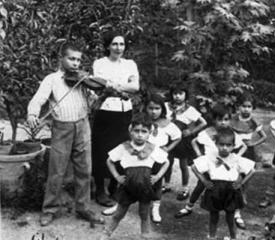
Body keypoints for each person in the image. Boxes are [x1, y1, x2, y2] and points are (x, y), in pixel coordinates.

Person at [27, 42, 104, 227]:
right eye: (71, 59)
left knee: (85, 170)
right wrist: (32, 113)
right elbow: (38, 99)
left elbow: (92, 104)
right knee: (56, 171)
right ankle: (49, 209)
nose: (76, 63)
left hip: (83, 125)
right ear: (61, 59)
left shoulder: (83, 80)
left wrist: (102, 94)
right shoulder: (52, 79)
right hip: (62, 128)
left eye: (78, 60)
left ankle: (84, 207)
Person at [87, 113, 170, 240]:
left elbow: (166, 162)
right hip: (128, 186)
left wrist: (157, 177)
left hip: (145, 186)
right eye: (136, 131)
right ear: (130, 131)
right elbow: (109, 161)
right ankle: (104, 238)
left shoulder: (152, 148)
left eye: (144, 132)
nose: (139, 135)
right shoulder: (124, 147)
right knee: (118, 214)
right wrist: (117, 176)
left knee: (144, 215)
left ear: (149, 133)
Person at [101, 91, 182, 223]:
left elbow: (178, 137)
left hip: (156, 157)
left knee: (155, 183)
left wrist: (167, 148)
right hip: (138, 155)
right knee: (129, 180)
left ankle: (155, 207)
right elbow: (131, 133)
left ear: (162, 109)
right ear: (145, 108)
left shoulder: (167, 124)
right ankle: (120, 204)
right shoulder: (141, 122)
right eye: (151, 108)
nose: (154, 112)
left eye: (157, 108)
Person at [92, 31, 140, 208]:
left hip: (124, 111)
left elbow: (135, 86)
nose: (118, 48)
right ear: (108, 46)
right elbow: (100, 85)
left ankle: (114, 187)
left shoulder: (130, 64)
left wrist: (115, 86)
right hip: (105, 110)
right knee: (101, 150)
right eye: (114, 44)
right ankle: (99, 190)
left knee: (121, 149)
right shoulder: (100, 63)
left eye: (121, 44)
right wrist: (121, 88)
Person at [191, 127, 255, 240]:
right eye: (221, 145)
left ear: (233, 146)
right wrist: (204, 181)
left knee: (230, 219)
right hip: (214, 190)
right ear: (216, 144)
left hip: (230, 191)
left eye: (228, 145)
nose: (225, 148)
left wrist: (241, 183)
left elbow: (252, 170)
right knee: (213, 218)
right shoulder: (210, 157)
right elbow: (194, 167)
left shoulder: (236, 158)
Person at [175, 104, 247, 218]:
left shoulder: (230, 133)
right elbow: (194, 141)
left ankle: (237, 213)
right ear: (214, 120)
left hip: (226, 163)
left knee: (233, 187)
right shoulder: (207, 132)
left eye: (226, 119)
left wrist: (235, 157)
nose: (223, 122)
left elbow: (244, 146)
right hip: (210, 162)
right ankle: (188, 207)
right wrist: (199, 155)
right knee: (201, 184)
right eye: (220, 119)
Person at [162, 84, 207, 200]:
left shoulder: (190, 109)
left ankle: (185, 188)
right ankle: (166, 184)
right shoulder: (166, 106)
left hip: (183, 139)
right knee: (168, 161)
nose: (177, 96)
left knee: (183, 164)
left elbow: (203, 122)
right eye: (175, 94)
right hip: (169, 138)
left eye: (180, 94)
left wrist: (191, 131)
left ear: (185, 95)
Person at [229, 93, 267, 229]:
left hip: (248, 151)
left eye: (249, 107)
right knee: (232, 172)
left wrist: (253, 143)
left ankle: (242, 194)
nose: (246, 109)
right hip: (234, 149)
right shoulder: (233, 119)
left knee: (246, 175)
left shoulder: (253, 122)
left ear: (252, 108)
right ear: (238, 107)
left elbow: (264, 136)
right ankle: (229, 196)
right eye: (243, 106)